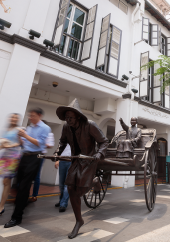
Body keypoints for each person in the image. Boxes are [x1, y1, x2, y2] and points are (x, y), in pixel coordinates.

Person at [53, 100, 108, 239]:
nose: (68, 120)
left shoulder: (90, 125)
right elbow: (63, 141)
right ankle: (79, 220)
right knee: (71, 188)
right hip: (76, 159)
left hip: (90, 160)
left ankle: (94, 181)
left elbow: (104, 141)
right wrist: (57, 154)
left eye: (71, 117)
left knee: (80, 191)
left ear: (78, 116)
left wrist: (99, 154)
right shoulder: (66, 127)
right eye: (66, 118)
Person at [4, 108, 50, 229]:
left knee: (24, 186)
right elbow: (24, 143)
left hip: (34, 158)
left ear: (39, 115)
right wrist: (20, 137)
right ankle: (23, 203)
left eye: (33, 115)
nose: (30, 117)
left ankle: (16, 218)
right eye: (30, 116)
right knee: (18, 185)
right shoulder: (29, 127)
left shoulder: (45, 128)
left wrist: (25, 135)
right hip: (24, 156)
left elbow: (40, 143)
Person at [31, 128, 55, 202]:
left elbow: (50, 145)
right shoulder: (33, 132)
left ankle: (34, 195)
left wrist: (40, 142)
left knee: (37, 175)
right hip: (31, 154)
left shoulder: (49, 134)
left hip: (40, 155)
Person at [54, 140, 72, 212]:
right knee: (61, 184)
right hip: (62, 161)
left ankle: (63, 204)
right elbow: (58, 149)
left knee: (66, 184)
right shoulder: (64, 139)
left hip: (71, 161)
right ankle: (61, 200)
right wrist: (57, 159)